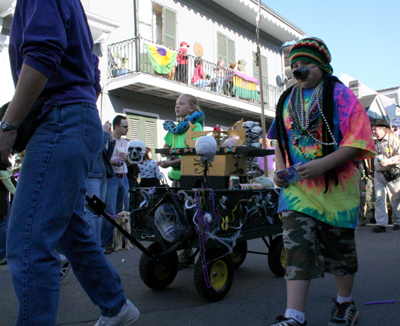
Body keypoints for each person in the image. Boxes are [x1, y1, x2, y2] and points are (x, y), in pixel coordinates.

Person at [0, 1, 140, 324]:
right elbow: (92, 72)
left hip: (62, 119)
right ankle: (116, 306)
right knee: (69, 229)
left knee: (28, 242)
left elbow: (42, 56)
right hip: (76, 118)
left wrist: (8, 127)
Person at [266, 37, 375, 326]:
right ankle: (294, 316)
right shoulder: (287, 100)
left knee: (340, 252)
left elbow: (359, 141)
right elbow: (279, 139)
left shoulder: (340, 95)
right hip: (297, 193)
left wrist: (321, 166)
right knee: (296, 250)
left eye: (307, 65)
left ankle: (344, 303)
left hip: (336, 190)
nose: (300, 71)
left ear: (323, 66)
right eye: (296, 66)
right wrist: (279, 169)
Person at [158, 94, 204, 187]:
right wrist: (167, 157)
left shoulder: (196, 126)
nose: (177, 106)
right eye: (176, 104)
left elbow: (193, 155)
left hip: (190, 177)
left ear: (191, 108)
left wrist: (171, 162)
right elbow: (164, 151)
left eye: (182, 104)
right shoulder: (173, 129)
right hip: (175, 176)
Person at [101, 115, 131, 251]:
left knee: (124, 209)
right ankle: (107, 242)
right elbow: (103, 159)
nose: (127, 129)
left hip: (124, 176)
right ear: (117, 126)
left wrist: (127, 159)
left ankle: (125, 241)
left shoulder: (126, 143)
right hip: (112, 177)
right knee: (111, 210)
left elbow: (132, 162)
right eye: (125, 126)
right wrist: (113, 162)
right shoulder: (108, 140)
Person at [85, 120, 115, 251]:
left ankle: (97, 245)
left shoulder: (100, 136)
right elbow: (97, 149)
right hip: (92, 177)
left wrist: (111, 140)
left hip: (101, 176)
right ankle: (93, 246)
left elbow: (105, 155)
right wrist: (104, 134)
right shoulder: (88, 134)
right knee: (93, 212)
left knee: (98, 212)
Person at [371, 118, 400, 232]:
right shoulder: (373, 142)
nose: (373, 132)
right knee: (379, 198)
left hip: (393, 172)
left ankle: (398, 221)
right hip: (379, 173)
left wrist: (389, 161)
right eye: (372, 129)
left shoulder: (394, 140)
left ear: (384, 130)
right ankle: (381, 224)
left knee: (396, 198)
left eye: (375, 129)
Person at [0, 165, 16, 265]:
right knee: (4, 225)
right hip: (1, 201)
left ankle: (4, 254)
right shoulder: (2, 170)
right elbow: (10, 186)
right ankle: (5, 254)